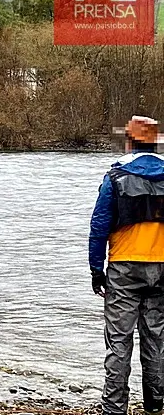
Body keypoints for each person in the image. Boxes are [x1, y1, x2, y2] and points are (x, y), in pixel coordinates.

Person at [89, 115, 164, 415]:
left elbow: (99, 226)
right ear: (155, 144)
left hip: (123, 268)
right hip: (161, 266)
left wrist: (96, 269)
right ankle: (156, 404)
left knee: (119, 342)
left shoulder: (115, 178)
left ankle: (114, 407)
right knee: (156, 337)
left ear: (129, 141)